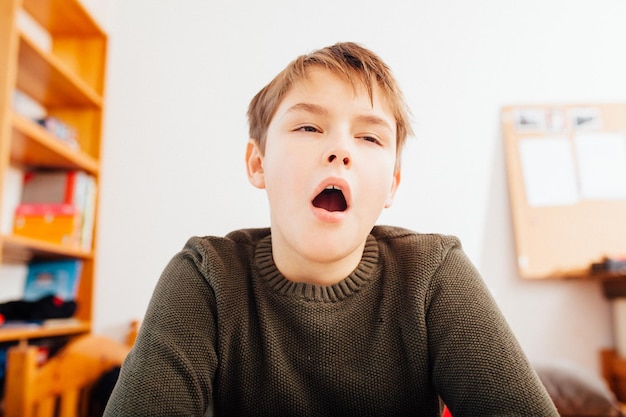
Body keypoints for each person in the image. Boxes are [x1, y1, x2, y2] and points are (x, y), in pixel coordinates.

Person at [104, 42, 558, 416]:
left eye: (369, 137)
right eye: (308, 126)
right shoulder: (205, 276)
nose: (340, 149)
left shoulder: (434, 273)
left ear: (392, 186)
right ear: (258, 163)